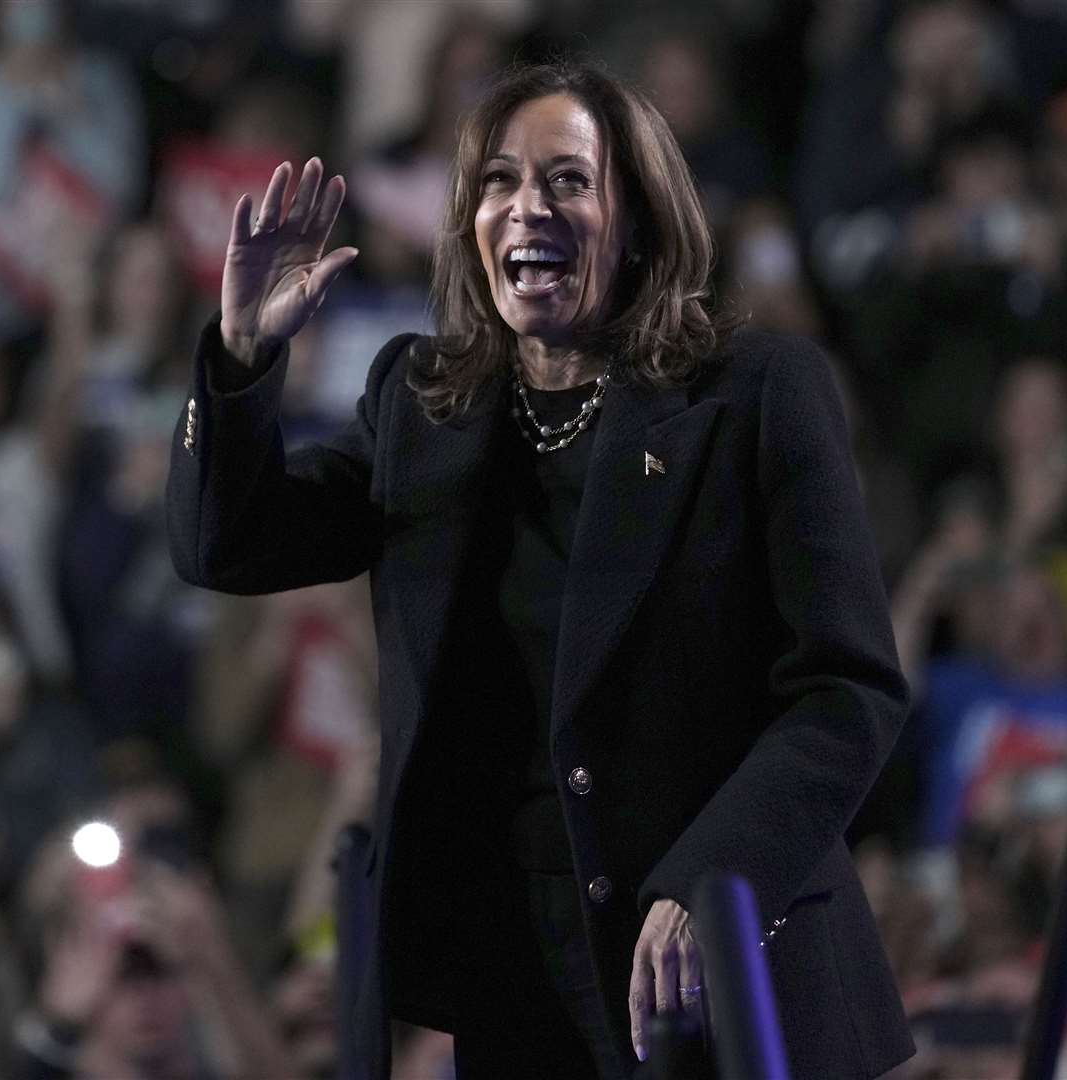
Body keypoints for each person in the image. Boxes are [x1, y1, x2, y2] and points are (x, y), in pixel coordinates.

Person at [167, 61, 912, 1079]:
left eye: (568, 180)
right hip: (517, 983)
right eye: (499, 182)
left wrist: (713, 883)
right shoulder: (421, 404)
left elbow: (846, 691)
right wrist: (244, 358)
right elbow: (230, 543)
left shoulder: (756, 395)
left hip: (732, 973)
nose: (529, 207)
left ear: (639, 215)